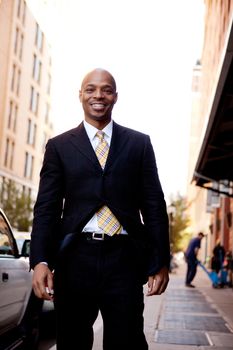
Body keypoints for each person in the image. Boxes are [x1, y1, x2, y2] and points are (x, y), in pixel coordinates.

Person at [30, 68, 170, 350]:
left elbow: (154, 206)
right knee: (72, 342)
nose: (98, 95)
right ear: (80, 95)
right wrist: (40, 260)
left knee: (127, 342)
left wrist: (160, 261)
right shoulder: (59, 147)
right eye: (91, 89)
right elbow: (47, 208)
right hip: (74, 260)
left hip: (124, 261)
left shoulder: (139, 144)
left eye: (106, 90)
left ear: (115, 97)